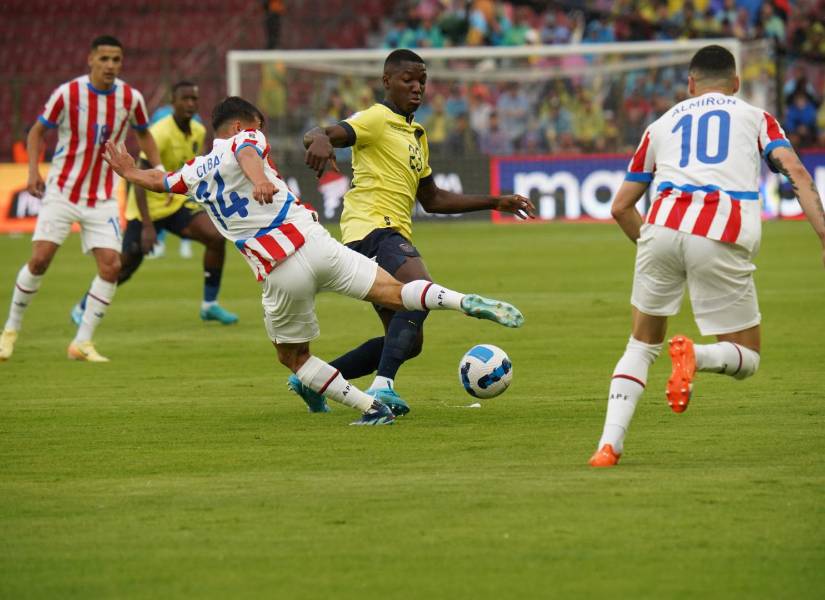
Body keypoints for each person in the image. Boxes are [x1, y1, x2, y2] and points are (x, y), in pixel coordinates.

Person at [102, 96, 525, 425]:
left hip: (279, 270)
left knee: (294, 358)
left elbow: (160, 181)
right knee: (397, 294)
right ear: (239, 125)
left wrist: (128, 172)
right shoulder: (247, 137)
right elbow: (249, 156)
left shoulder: (194, 171)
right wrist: (258, 181)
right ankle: (461, 300)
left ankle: (371, 406)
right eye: (257, 126)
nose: (260, 133)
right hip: (316, 242)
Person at [589, 45, 825, 467]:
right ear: (735, 84)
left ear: (689, 85)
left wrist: (655, 247)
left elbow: (620, 207)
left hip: (660, 225)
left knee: (640, 345)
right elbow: (798, 173)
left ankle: (608, 447)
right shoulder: (756, 117)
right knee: (746, 357)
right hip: (721, 228)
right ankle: (697, 355)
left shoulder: (659, 125)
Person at [300, 49, 535, 416]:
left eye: (422, 80)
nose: (417, 87)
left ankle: (313, 379)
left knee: (408, 341)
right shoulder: (376, 119)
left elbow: (434, 198)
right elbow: (327, 132)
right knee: (419, 291)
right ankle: (383, 387)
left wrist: (494, 202)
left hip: (390, 232)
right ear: (387, 82)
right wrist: (318, 138)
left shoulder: (416, 134)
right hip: (373, 230)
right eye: (408, 79)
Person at [0, 35, 161, 363]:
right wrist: (32, 171)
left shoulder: (131, 97)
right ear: (90, 59)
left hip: (102, 196)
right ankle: (10, 331)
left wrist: (158, 169)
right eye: (104, 59)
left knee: (112, 265)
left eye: (116, 60)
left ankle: (81, 343)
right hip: (62, 190)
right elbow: (36, 131)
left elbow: (144, 132)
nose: (110, 66)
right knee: (40, 259)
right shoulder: (67, 94)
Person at [69, 81, 239, 327]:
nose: (191, 104)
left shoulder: (199, 131)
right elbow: (137, 179)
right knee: (124, 267)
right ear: (173, 102)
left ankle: (209, 305)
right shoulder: (159, 132)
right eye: (185, 99)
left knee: (215, 237)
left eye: (194, 99)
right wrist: (148, 226)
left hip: (173, 204)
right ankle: (83, 307)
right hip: (144, 208)